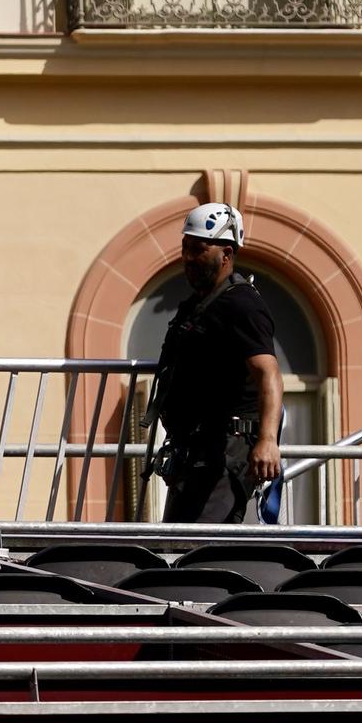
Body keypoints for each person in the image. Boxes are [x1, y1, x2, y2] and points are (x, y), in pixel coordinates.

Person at [150, 201, 284, 524]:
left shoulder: (241, 304)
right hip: (194, 453)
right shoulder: (197, 306)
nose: (188, 259)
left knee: (200, 553)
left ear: (226, 254)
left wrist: (267, 441)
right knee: (172, 550)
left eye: (198, 249)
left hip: (226, 454)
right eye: (185, 248)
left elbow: (269, 374)